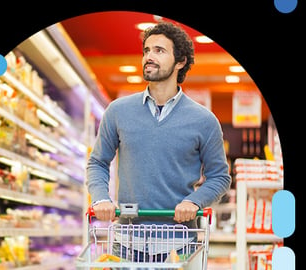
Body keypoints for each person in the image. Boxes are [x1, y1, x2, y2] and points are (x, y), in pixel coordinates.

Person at [86, 21, 232, 262]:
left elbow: (220, 177)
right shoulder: (118, 111)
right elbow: (98, 163)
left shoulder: (204, 120)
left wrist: (194, 201)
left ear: (181, 61)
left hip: (181, 244)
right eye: (146, 50)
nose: (149, 57)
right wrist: (101, 197)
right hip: (127, 242)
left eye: (159, 51)